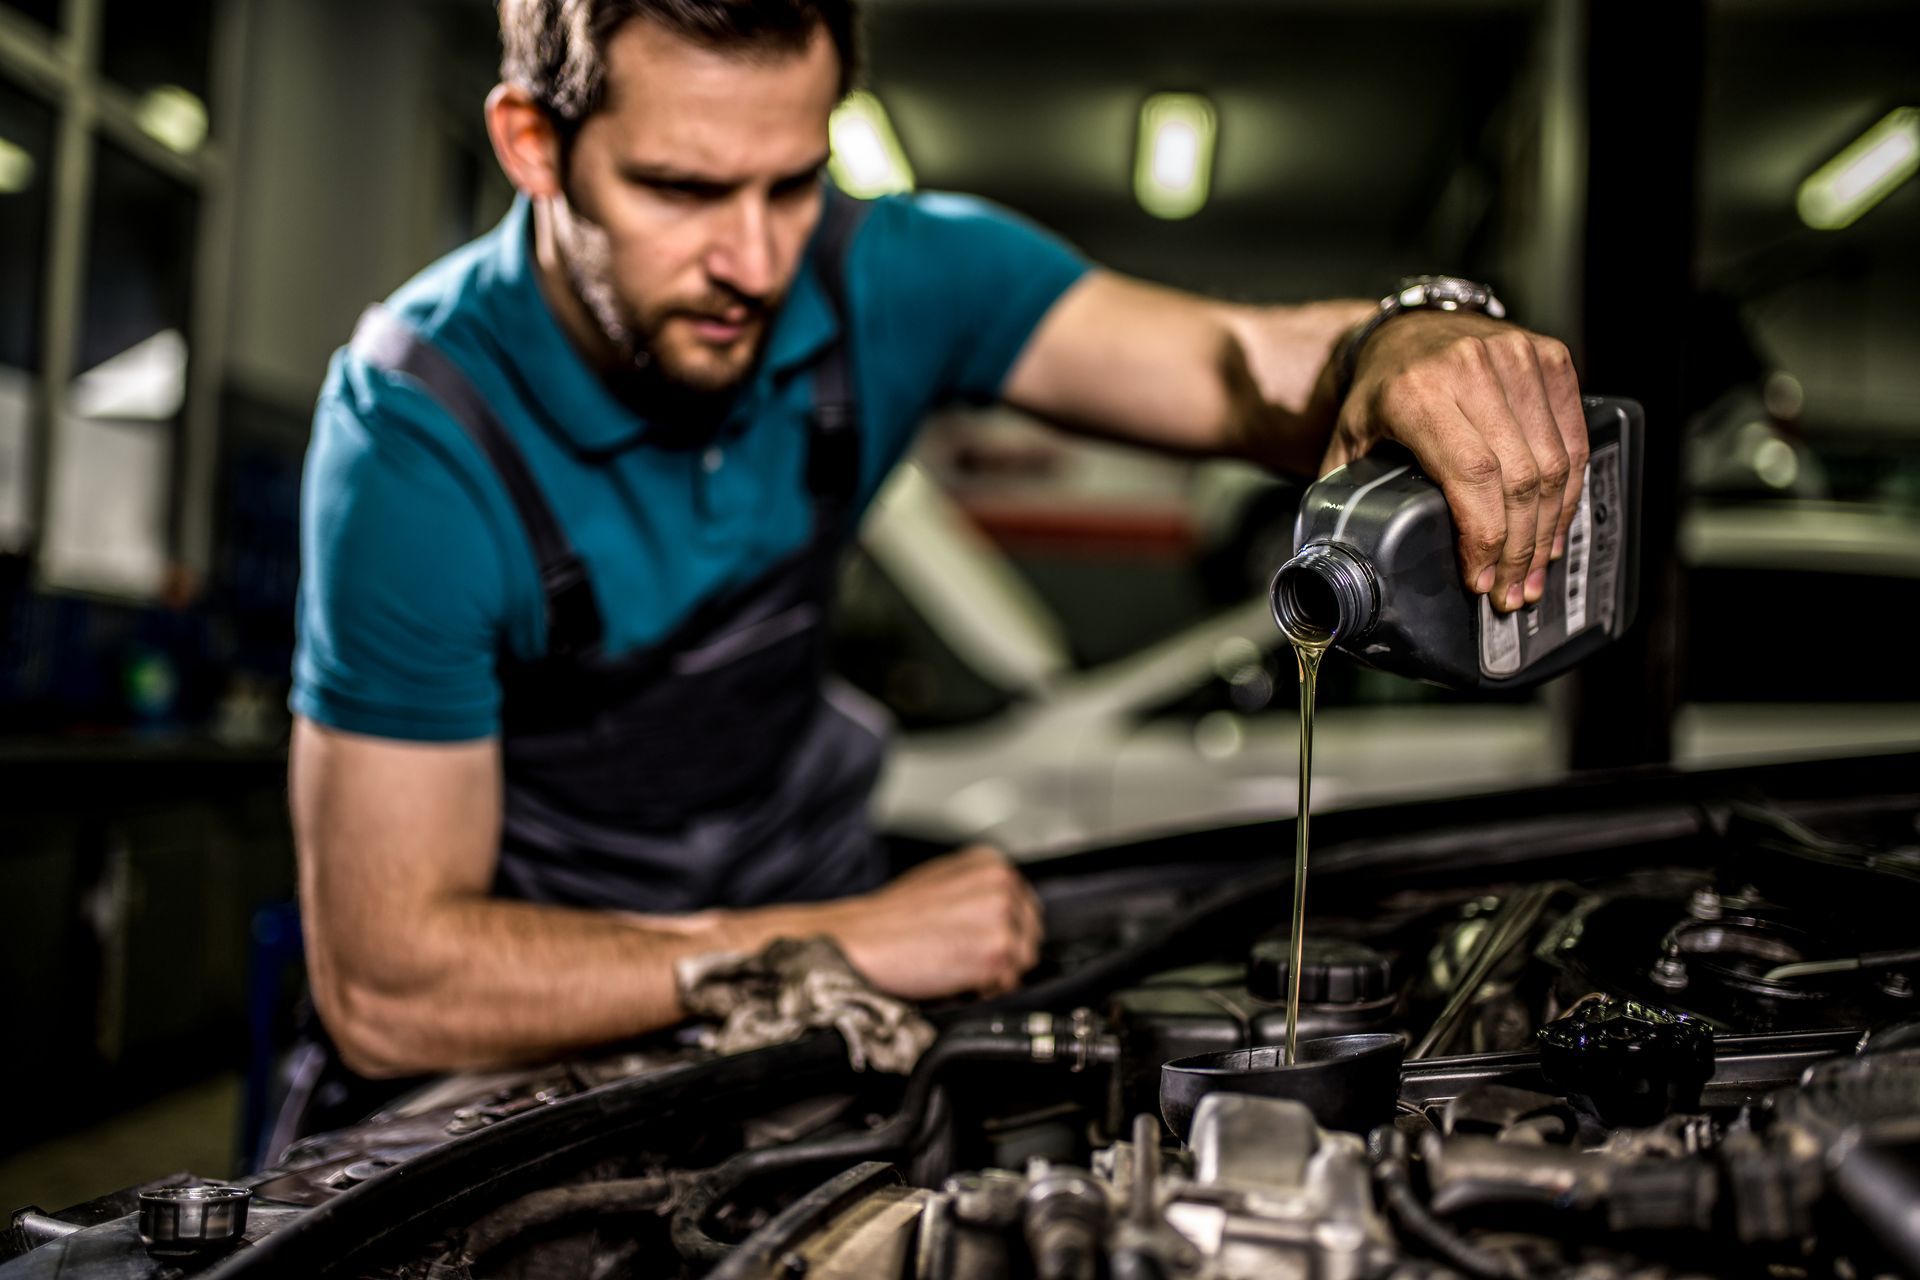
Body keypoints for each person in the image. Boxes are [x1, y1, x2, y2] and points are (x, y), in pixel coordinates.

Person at [289, 0, 1589, 1085]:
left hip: (801, 876)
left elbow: (1237, 364)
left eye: (793, 181)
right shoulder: (415, 438)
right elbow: (391, 983)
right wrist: (836, 944)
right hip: (541, 991)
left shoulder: (891, 274)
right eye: (681, 187)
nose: (752, 259)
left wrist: (1406, 336)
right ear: (532, 143)